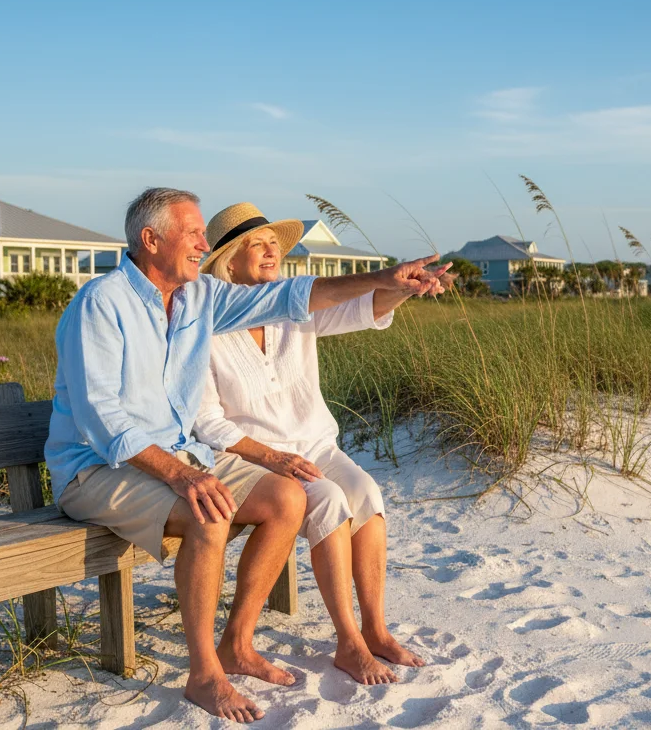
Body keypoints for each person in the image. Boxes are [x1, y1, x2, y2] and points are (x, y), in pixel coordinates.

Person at [45, 188, 447, 723]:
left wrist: (384, 280)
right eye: (192, 235)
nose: (201, 244)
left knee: (288, 499)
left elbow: (291, 296)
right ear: (150, 239)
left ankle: (239, 644)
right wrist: (184, 476)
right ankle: (204, 674)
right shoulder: (100, 304)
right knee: (210, 513)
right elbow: (102, 419)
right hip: (97, 468)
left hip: (176, 457)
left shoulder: (199, 298)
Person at [194, 203, 449, 686]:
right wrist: (270, 457)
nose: (272, 251)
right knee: (330, 501)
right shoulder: (206, 326)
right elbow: (207, 421)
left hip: (316, 445)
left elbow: (363, 309)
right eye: (258, 244)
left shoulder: (294, 311)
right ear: (229, 260)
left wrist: (402, 289)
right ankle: (348, 643)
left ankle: (374, 629)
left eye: (275, 243)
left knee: (367, 494)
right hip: (256, 460)